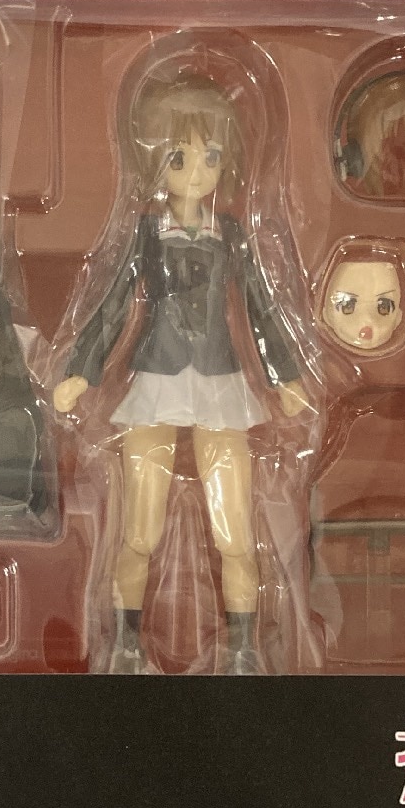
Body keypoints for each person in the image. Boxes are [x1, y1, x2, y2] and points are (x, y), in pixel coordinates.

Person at [52, 72, 308, 674]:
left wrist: (285, 376)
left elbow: (262, 310)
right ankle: (126, 643)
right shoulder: (146, 234)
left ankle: (243, 648)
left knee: (236, 535)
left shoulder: (233, 235)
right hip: (157, 377)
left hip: (220, 383)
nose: (197, 172)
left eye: (211, 157)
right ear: (154, 163)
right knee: (138, 533)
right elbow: (113, 305)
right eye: (179, 158)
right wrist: (83, 371)